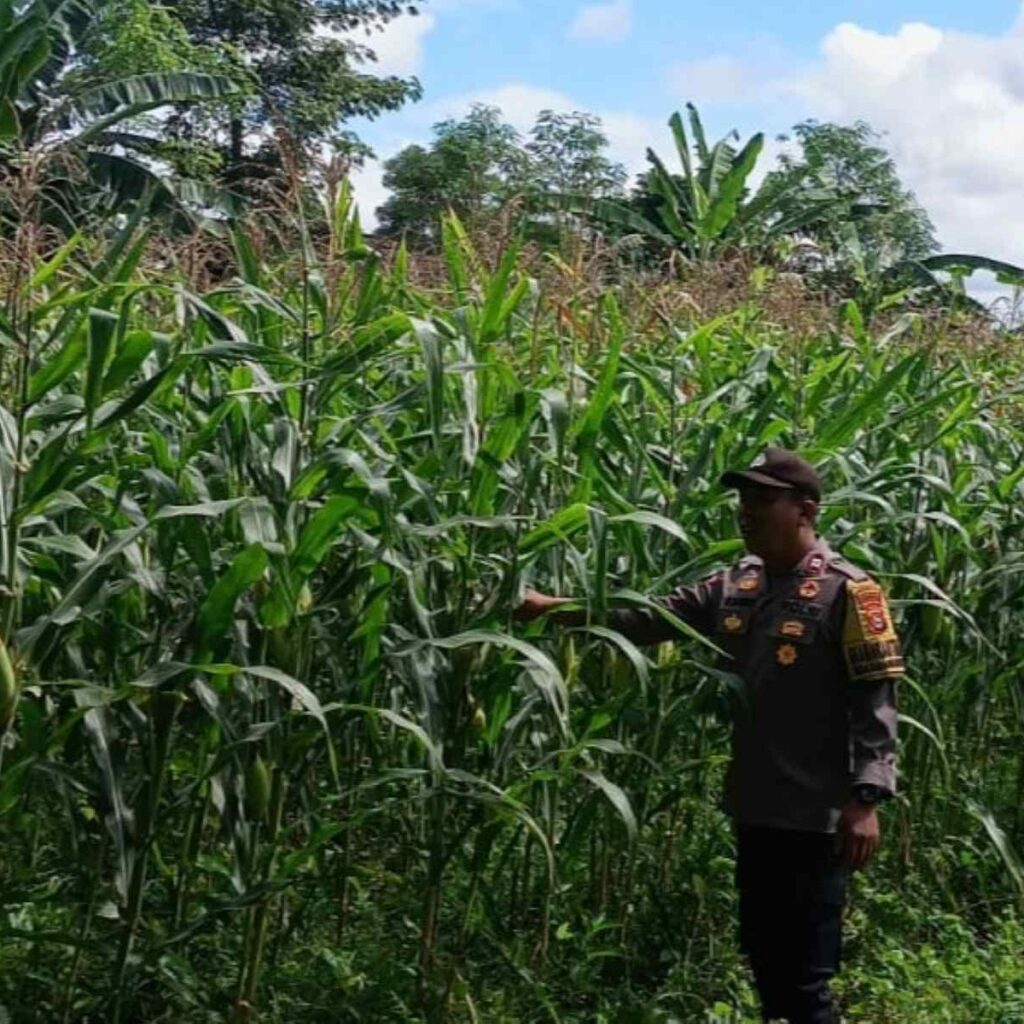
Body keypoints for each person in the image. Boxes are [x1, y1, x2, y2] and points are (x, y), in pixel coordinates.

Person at [515, 447, 902, 1024]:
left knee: (805, 979)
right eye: (743, 500)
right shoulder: (736, 583)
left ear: (805, 510)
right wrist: (556, 609)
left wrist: (865, 799)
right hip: (756, 805)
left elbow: (876, 702)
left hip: (817, 817)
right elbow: (649, 617)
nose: (746, 512)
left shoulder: (849, 592)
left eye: (762, 500)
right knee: (765, 959)